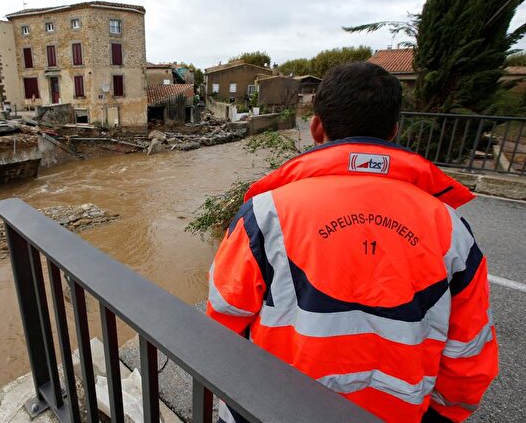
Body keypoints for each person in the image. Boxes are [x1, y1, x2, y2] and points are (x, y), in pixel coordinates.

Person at [207, 62, 497, 423]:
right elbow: (469, 352)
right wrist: (441, 417)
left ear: (316, 128)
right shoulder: (450, 228)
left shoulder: (265, 215)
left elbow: (222, 321)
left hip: (270, 410)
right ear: (394, 131)